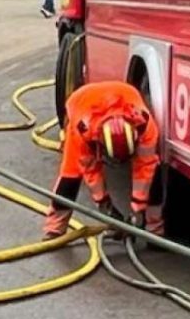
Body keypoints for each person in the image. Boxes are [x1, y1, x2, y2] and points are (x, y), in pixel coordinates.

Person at [44, 81, 164, 243]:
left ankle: (154, 232)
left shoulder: (145, 126)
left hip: (124, 93)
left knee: (153, 173)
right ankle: (55, 229)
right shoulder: (83, 130)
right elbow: (91, 172)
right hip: (81, 101)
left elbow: (145, 168)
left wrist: (137, 210)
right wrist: (105, 206)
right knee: (70, 174)